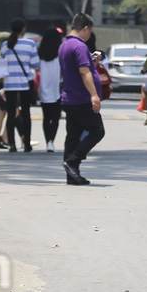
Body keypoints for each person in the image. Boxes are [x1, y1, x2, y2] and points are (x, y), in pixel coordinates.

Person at [58, 13, 105, 185]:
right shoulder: (79, 46)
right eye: (89, 31)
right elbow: (84, 72)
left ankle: (72, 175)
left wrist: (92, 62)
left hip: (70, 97)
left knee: (73, 135)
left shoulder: (65, 45)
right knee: (97, 130)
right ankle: (73, 161)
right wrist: (94, 95)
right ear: (85, 28)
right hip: (81, 98)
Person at [0, 20, 38, 151]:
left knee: (10, 114)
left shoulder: (5, 45)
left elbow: (1, 65)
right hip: (24, 84)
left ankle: (12, 145)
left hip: (9, 83)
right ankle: (26, 144)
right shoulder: (30, 44)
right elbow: (36, 64)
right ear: (23, 29)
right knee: (26, 114)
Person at [37, 27, 65, 152]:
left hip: (43, 89)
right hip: (57, 89)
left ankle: (46, 139)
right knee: (55, 117)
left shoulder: (40, 53)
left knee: (46, 117)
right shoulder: (60, 53)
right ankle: (51, 142)